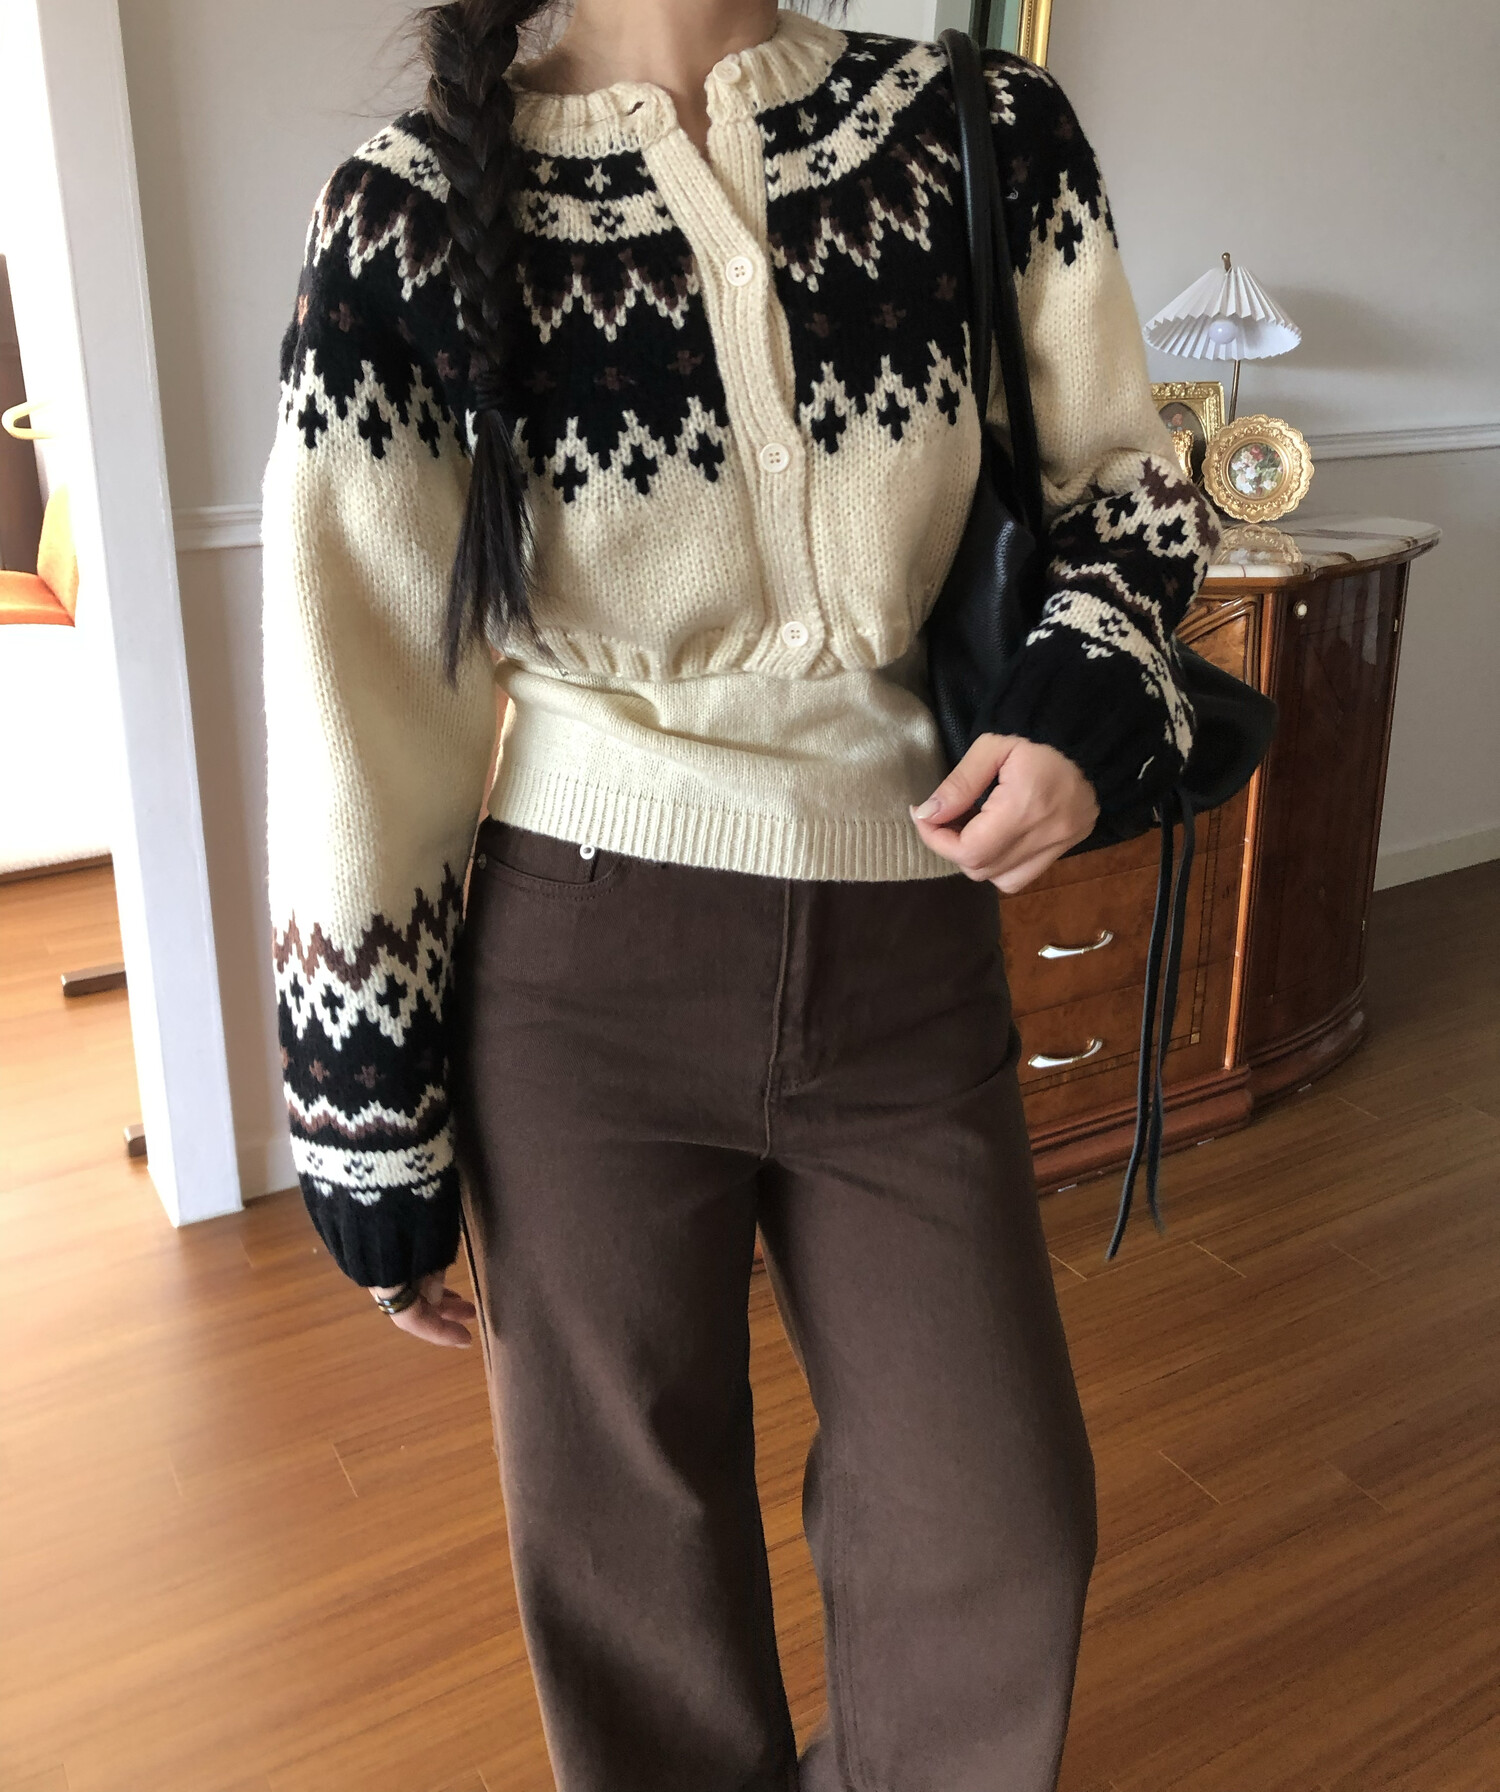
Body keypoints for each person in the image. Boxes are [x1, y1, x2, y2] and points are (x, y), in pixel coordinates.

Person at [260, 1, 1220, 1785]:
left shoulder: (980, 129)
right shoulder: (406, 213)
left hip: (908, 932)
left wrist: (1085, 698)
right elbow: (363, 684)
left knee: (1000, 1528)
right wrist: (366, 1115)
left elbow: (1126, 486)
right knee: (631, 1577)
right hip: (577, 971)